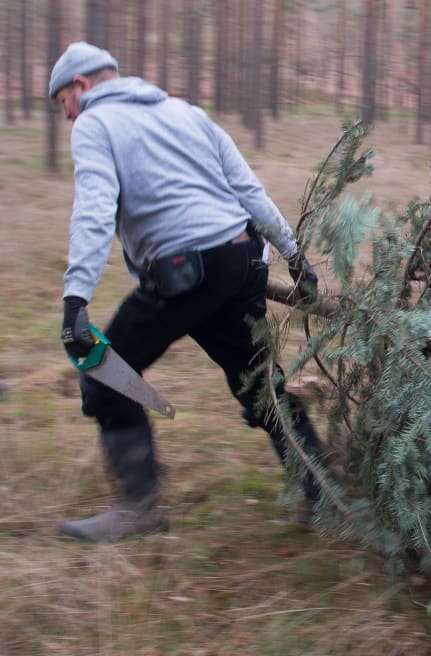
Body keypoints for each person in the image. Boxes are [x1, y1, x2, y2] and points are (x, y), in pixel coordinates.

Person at [51, 42, 324, 542]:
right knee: (259, 385)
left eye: (63, 100)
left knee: (103, 372)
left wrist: (75, 301)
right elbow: (248, 190)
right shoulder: (186, 112)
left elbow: (93, 210)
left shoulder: (96, 122)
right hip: (243, 261)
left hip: (186, 271)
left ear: (82, 86)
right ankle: (322, 491)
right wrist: (295, 256)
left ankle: (139, 509)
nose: (66, 113)